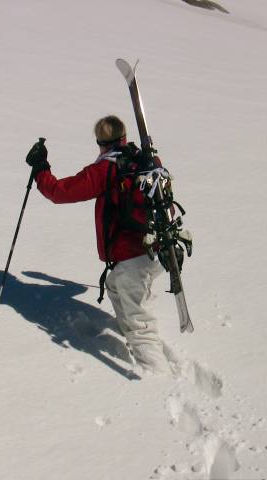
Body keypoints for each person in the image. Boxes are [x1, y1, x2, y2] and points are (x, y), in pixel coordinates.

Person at [26, 115, 171, 374]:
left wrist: (40, 170)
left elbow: (61, 192)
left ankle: (158, 378)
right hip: (158, 247)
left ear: (101, 142)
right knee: (115, 285)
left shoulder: (107, 169)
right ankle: (131, 334)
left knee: (140, 320)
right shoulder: (146, 159)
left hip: (132, 255)